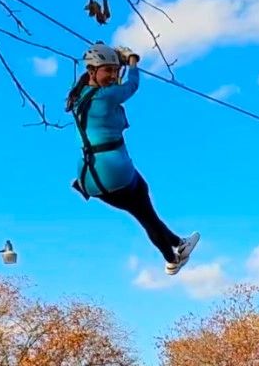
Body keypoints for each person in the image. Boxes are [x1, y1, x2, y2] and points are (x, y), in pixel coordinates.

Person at [64, 42, 199, 275]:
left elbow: (98, 84)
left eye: (116, 71)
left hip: (89, 178)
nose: (113, 76)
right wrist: (133, 62)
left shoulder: (78, 96)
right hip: (113, 169)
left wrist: (112, 59)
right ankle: (172, 256)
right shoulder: (107, 96)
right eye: (108, 71)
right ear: (92, 71)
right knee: (145, 211)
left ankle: (177, 248)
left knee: (142, 211)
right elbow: (132, 86)